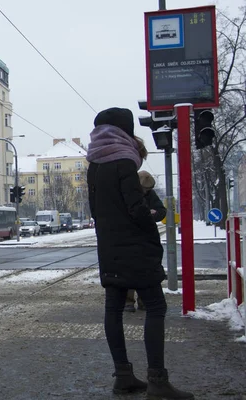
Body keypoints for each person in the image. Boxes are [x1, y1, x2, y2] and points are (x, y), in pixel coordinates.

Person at [87, 107, 193, 399]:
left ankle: (123, 377)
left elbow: (96, 211)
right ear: (123, 129)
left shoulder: (94, 164)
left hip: (109, 248)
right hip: (135, 248)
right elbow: (136, 210)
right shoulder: (123, 161)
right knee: (156, 307)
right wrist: (149, 223)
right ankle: (158, 381)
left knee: (114, 309)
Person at [126, 170, 167, 312]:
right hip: (132, 237)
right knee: (130, 270)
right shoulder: (127, 192)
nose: (146, 192)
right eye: (145, 189)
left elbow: (162, 211)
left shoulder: (149, 195)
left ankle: (142, 301)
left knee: (142, 270)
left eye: (148, 190)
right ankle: (129, 302)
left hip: (142, 237)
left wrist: (153, 214)